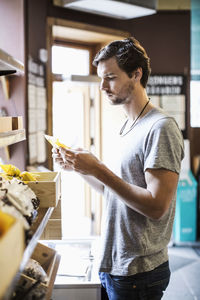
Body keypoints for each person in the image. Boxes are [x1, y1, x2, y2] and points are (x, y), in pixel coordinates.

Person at [53, 37, 184, 300]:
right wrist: (80, 168)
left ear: (136, 75)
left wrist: (99, 168)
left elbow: (157, 206)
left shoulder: (161, 128)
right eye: (101, 78)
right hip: (115, 263)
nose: (102, 87)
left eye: (110, 77)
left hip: (140, 272)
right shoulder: (126, 126)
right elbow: (113, 189)